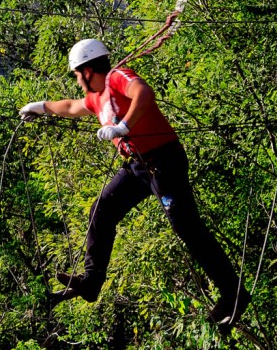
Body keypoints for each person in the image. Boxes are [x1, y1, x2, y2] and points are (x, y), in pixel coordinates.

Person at [19, 38, 250, 330]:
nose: (78, 81)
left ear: (89, 70)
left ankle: (233, 293)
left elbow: (143, 92)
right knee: (102, 211)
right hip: (139, 165)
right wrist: (40, 107)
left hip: (165, 161)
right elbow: (72, 106)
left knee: (186, 227)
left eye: (78, 74)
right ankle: (91, 282)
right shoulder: (97, 97)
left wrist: (124, 125)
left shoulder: (117, 77)